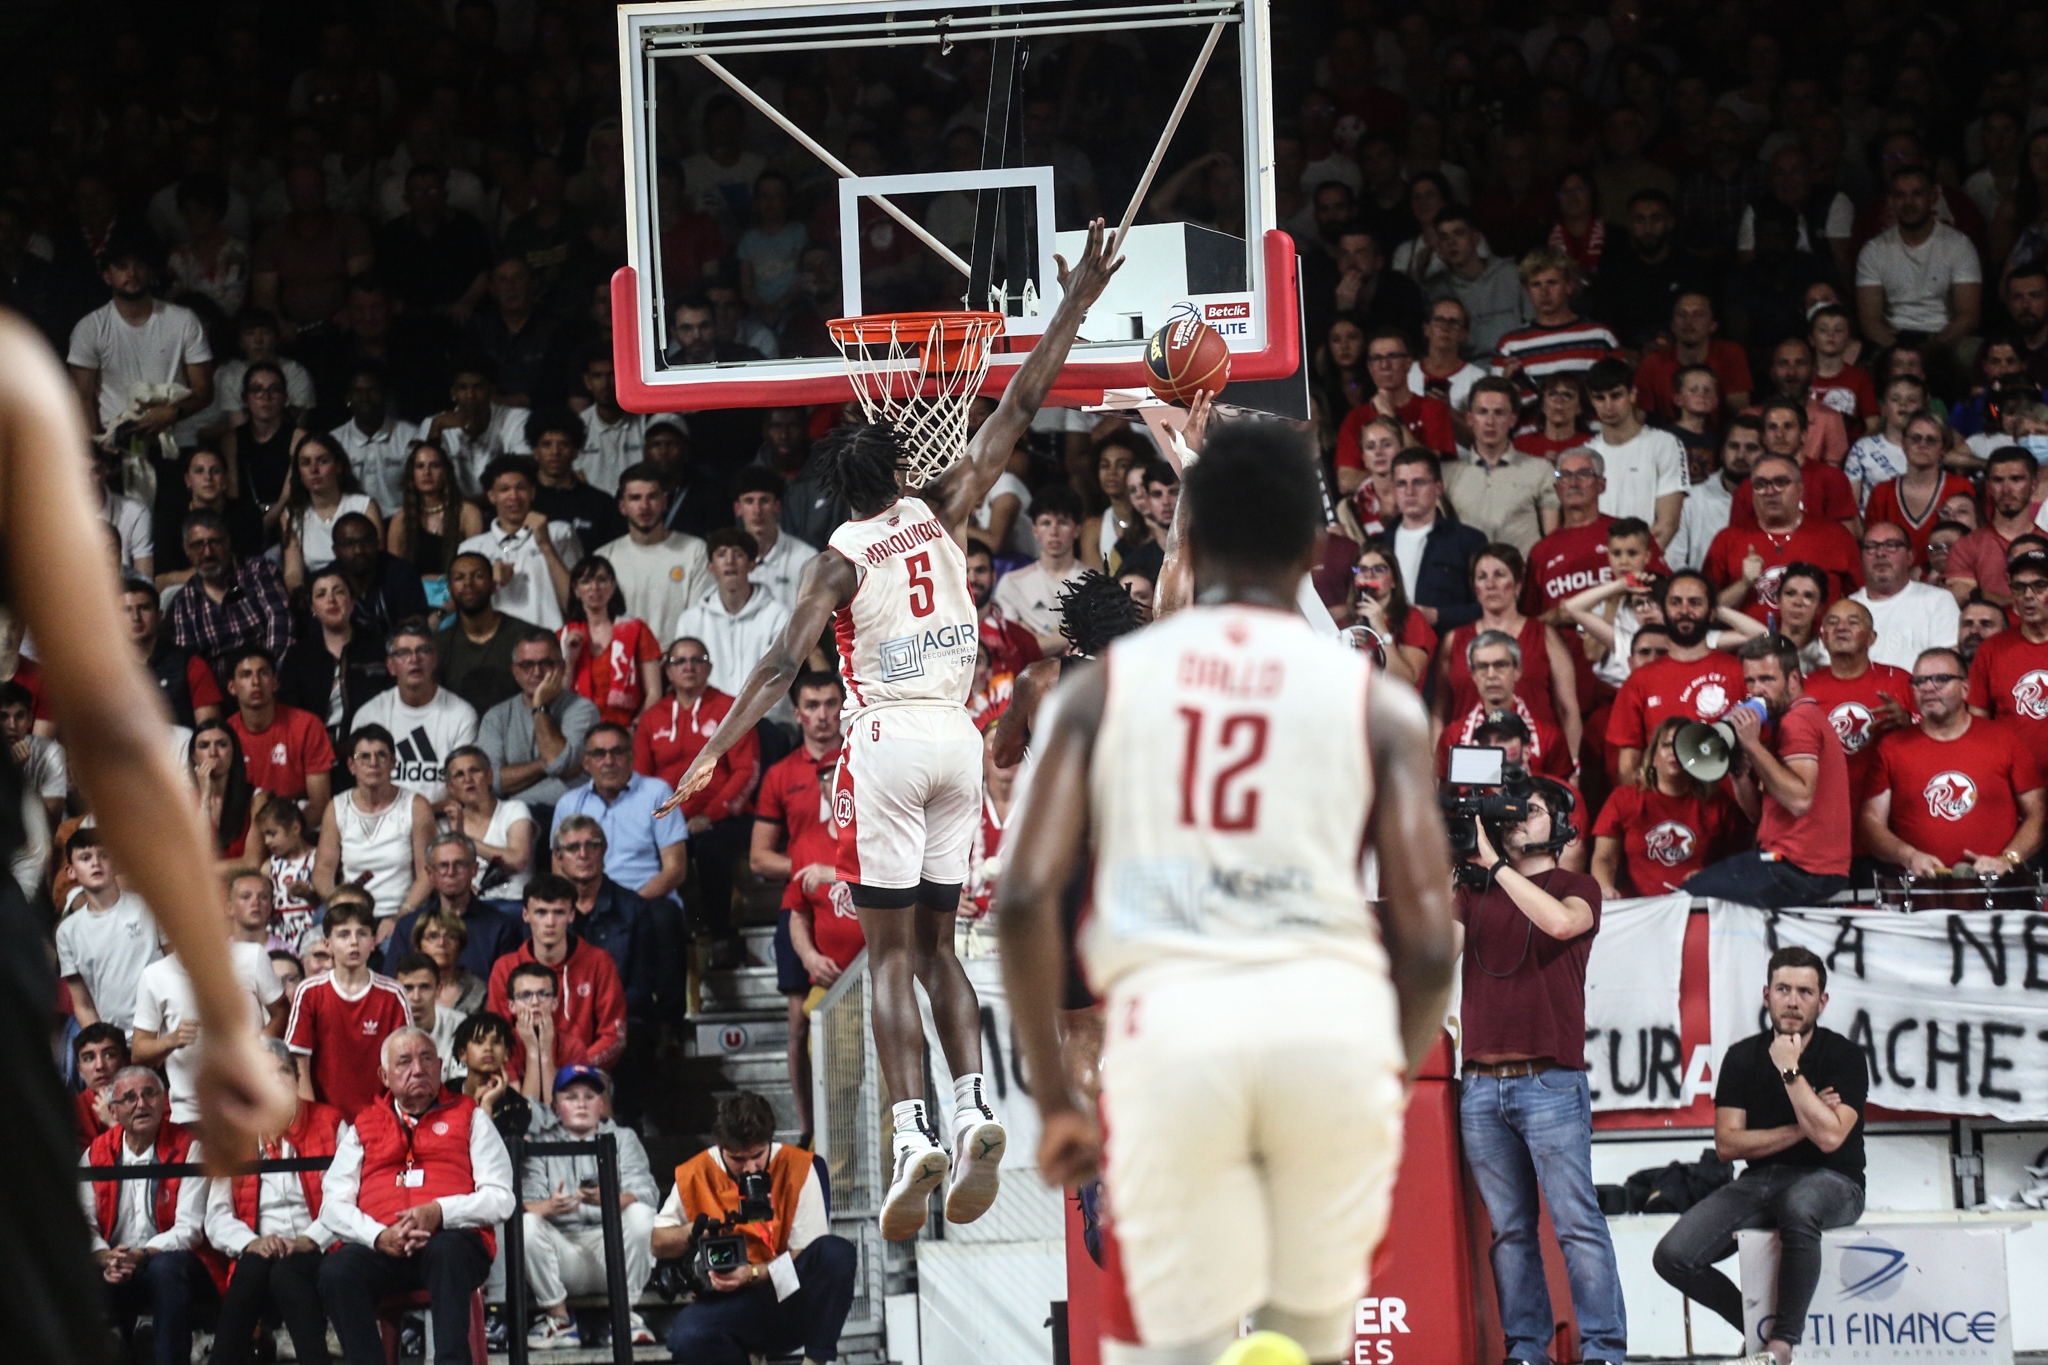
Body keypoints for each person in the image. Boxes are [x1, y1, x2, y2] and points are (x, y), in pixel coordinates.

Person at [665, 221, 1126, 1241]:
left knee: (887, 957)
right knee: (942, 947)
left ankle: (914, 1128)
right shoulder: (950, 507)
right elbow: (1015, 403)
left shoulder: (837, 557)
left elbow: (782, 667)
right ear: (901, 470)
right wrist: (1074, 302)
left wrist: (712, 750)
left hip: (884, 747)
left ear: (839, 492)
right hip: (960, 737)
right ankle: (970, 1109)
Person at [997, 419, 1459, 1365]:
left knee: (1180, 1345)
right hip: (1320, 1035)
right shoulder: (1375, 703)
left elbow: (1023, 899)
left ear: (1194, 544)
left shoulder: (1096, 691)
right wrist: (1389, 1074)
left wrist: (1055, 1103)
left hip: (1177, 1038)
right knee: (1306, 1340)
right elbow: (1427, 937)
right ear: (1308, 550)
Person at [1449, 770, 1627, 1365]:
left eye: (1534, 809)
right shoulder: (1473, 891)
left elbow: (1560, 923)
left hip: (1551, 1080)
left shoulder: (1576, 885)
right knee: (1510, 1232)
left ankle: (1603, 1349)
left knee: (1576, 1224)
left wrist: (1495, 869)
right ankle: (1527, 1350)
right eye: (1513, 809)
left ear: (1562, 825)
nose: (1520, 815)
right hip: (1479, 1085)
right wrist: (1450, 874)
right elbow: (1437, 951)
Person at [1652, 947, 1867, 1365]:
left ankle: (1783, 1344)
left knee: (1799, 1203)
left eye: (1805, 992)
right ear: (1765, 995)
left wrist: (1790, 1069)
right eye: (1783, 989)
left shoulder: (1844, 1056)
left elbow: (1829, 1140)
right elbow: (1729, 1145)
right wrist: (1804, 1120)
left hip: (1835, 1181)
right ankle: (1759, 1335)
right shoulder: (1742, 1056)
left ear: (1822, 1002)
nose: (1792, 1001)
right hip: (1760, 1182)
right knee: (1673, 1256)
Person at [316, 1027, 516, 1365]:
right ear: (384, 1075)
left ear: (440, 1066)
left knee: (446, 1249)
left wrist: (440, 1212)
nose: (418, 1069)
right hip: (384, 1249)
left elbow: (501, 1198)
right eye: (404, 1062)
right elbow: (332, 1206)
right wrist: (379, 1236)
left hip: (453, 1246)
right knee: (336, 1270)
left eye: (426, 1060)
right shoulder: (363, 1125)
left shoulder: (471, 1116)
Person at [651, 1091, 856, 1365]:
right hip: (727, 1300)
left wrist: (752, 1273)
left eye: (758, 1156)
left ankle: (816, 1360)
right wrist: (695, 1233)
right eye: (737, 1159)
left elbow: (807, 1255)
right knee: (688, 1338)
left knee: (836, 1252)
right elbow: (658, 1242)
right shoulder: (695, 1172)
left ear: (769, 1141)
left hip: (784, 1290)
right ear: (719, 1146)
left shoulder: (797, 1167)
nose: (749, 1168)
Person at [201, 1037, 346, 1365]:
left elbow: (346, 1200)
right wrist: (254, 1242)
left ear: (297, 1080)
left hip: (320, 1243)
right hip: (260, 1247)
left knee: (285, 1273)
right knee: (256, 1266)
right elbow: (217, 1215)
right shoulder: (234, 1133)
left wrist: (310, 1240)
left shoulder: (331, 1123)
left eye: (284, 1072)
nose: (276, 1081)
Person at [1685, 635, 1853, 907]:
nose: (1757, 690)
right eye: (1751, 681)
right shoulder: (1782, 724)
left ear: (1794, 680)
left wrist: (1752, 744)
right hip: (1796, 865)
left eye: (1767, 679)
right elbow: (1759, 815)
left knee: (1692, 895)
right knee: (1700, 885)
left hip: (1802, 869)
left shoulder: (1798, 720)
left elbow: (1799, 801)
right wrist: (1739, 774)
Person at [751, 671, 847, 1142]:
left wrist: (834, 870)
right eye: (813, 705)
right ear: (797, 713)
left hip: (856, 905)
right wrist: (812, 869)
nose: (823, 715)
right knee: (799, 1021)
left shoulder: (862, 765)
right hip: (806, 907)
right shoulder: (781, 774)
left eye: (832, 704)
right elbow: (759, 856)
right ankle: (811, 1128)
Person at [1863, 648, 2046, 877]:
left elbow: (2038, 813)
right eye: (1920, 681)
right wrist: (1907, 855)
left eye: (1942, 679)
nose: (1929, 688)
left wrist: (2008, 859)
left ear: (1966, 688)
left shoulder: (2004, 740)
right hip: (1921, 892)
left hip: (1997, 889)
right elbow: (1871, 822)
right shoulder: (1891, 747)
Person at [78, 1066, 217, 1365]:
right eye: (129, 1098)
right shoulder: (95, 1154)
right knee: (72, 1266)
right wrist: (106, 1257)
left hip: (173, 1263)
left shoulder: (191, 1147)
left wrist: (140, 1255)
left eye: (149, 1094)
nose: (141, 1104)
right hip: (116, 1264)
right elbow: (83, 1225)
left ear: (164, 1101)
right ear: (113, 1112)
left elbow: (189, 1229)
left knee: (165, 1270)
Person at [519, 1064, 660, 1350]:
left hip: (611, 1252)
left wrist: (609, 1199)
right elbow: (526, 1202)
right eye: (571, 1097)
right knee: (526, 1224)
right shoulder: (540, 1141)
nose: (581, 1103)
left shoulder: (623, 1138)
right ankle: (558, 1320)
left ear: (601, 1103)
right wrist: (551, 1206)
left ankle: (625, 1316)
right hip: (563, 1254)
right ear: (557, 1106)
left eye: (589, 1096)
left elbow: (647, 1192)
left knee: (643, 1215)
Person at [132, 877, 288, 1123]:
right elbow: (139, 1051)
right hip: (189, 1112)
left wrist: (260, 1043)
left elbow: (281, 1011)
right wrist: (172, 1040)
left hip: (251, 1103)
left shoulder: (251, 957)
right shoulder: (154, 976)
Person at [1431, 543, 1582, 760]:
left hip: (1533, 760)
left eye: (1499, 575)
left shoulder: (1545, 636)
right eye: (1482, 577)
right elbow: (1439, 713)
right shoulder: (1453, 640)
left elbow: (1568, 711)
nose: (1490, 584)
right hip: (1470, 761)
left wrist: (1573, 766)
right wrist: (1438, 769)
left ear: (1518, 585)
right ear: (1475, 588)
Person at [66, 236, 215, 445]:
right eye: (122, 267)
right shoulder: (90, 328)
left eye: (139, 266)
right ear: (108, 276)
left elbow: (204, 390)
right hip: (118, 444)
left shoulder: (183, 320)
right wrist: (95, 449)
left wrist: (173, 412)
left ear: (150, 272)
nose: (131, 273)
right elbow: (81, 398)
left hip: (177, 441)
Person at [1607, 572, 1746, 784]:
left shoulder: (1737, 671)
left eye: (1695, 602)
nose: (1684, 611)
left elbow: (1759, 749)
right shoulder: (1639, 681)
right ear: (1664, 610)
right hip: (1667, 810)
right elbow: (1628, 769)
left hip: (1729, 808)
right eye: (1675, 602)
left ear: (1711, 612)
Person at [285, 891, 413, 1117]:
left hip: (381, 1117)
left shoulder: (393, 994)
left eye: (362, 934)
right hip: (325, 1118)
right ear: (328, 944)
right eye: (344, 935)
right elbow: (299, 1063)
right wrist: (315, 1121)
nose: (354, 942)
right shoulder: (309, 992)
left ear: (373, 942)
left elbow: (405, 1062)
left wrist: (392, 1117)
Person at [486, 877, 629, 1075]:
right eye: (541, 912)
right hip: (523, 1073)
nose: (550, 922)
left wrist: (573, 1070)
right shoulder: (505, 967)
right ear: (526, 915)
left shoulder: (599, 962)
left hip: (583, 1073)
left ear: (572, 915)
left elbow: (614, 1036)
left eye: (559, 912)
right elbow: (496, 1035)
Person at [1801, 600, 1915, 837]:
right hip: (1824, 822)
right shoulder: (1803, 688)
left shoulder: (1900, 681)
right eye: (1832, 622)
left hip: (1889, 824)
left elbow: (1936, 743)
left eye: (1853, 622)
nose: (1842, 628)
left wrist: (1908, 725)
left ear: (1872, 638)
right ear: (1823, 638)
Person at [1703, 453, 1863, 622]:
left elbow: (1861, 603)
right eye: (1760, 484)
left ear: (1800, 489)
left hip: (1817, 645)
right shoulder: (1727, 539)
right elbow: (1704, 613)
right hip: (1746, 646)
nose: (1770, 491)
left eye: (1780, 482)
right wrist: (1743, 584)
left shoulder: (1836, 536)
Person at [1591, 716, 1737, 896]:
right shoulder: (1623, 799)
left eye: (1682, 746)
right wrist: (1605, 888)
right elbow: (1604, 858)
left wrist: (1714, 877)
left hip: (1697, 904)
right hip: (1638, 907)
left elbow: (1737, 862)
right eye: (1667, 745)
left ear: (1697, 757)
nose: (1674, 752)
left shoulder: (1718, 804)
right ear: (1652, 756)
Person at [553, 722, 691, 908]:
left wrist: (629, 906)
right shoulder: (568, 804)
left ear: (631, 757)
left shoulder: (658, 793)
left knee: (663, 916)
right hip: (589, 906)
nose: (609, 762)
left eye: (617, 752)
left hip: (647, 901)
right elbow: (560, 872)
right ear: (586, 763)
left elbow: (675, 870)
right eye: (599, 754)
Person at [1855, 166, 1983, 361]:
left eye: (1917, 194)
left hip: (1944, 338)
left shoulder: (1959, 245)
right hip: (1893, 339)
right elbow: (1869, 320)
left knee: (1974, 350)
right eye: (1900, 195)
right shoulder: (1874, 250)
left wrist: (1933, 348)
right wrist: (1900, 352)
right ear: (1890, 200)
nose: (1908, 202)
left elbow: (1968, 315)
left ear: (1932, 197)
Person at [675, 529, 798, 723]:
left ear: (752, 565)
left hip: (766, 722)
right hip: (707, 722)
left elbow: (778, 678)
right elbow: (684, 680)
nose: (730, 561)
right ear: (710, 567)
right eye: (721, 554)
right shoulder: (691, 620)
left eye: (738, 554)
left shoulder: (778, 615)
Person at [314, 726, 434, 922]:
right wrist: (339, 902)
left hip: (401, 912)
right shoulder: (336, 807)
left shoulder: (416, 806)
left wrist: (399, 916)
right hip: (352, 911)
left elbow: (427, 872)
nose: (373, 763)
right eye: (364, 757)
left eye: (381, 755)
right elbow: (324, 869)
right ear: (351, 765)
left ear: (393, 762)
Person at [352, 621, 481, 803]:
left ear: (434, 660)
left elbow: (464, 789)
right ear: (391, 666)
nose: (414, 659)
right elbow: (363, 787)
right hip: (382, 819)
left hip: (441, 821)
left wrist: (419, 814)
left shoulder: (461, 714)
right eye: (404, 653)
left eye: (423, 651)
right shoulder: (369, 715)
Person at [478, 630, 600, 811]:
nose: (537, 672)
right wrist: (544, 766)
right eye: (527, 665)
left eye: (546, 663)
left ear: (562, 667)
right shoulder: (496, 716)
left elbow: (557, 760)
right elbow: (489, 781)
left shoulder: (583, 710)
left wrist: (540, 708)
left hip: (570, 815)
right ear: (515, 672)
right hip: (512, 819)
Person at [56, 828, 164, 1031]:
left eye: (103, 855)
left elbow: (175, 965)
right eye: (85, 858)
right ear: (70, 871)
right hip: (115, 1042)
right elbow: (83, 1004)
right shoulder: (67, 932)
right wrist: (107, 1045)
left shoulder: (149, 908)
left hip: (163, 1032)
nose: (96, 863)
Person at [168, 511, 295, 680]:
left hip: (270, 679)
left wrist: (263, 675)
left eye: (215, 542)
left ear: (227, 542)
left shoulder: (259, 571)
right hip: (221, 693)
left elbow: (280, 621)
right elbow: (190, 663)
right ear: (186, 549)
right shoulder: (183, 602)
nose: (208, 552)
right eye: (198, 545)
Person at [278, 568, 389, 758]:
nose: (331, 599)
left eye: (338, 591)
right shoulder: (299, 656)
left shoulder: (378, 648)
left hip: (372, 750)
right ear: (313, 608)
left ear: (352, 601)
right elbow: (290, 715)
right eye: (321, 594)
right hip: (314, 754)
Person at [384, 832, 523, 981]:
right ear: (430, 873)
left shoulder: (501, 927)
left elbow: (506, 990)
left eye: (459, 864)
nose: (451, 872)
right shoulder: (408, 926)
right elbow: (392, 986)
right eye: (443, 866)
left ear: (474, 870)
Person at [458, 455, 576, 631]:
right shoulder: (471, 548)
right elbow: (460, 606)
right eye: (504, 489)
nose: (513, 496)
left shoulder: (559, 532)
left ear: (532, 492)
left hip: (550, 643)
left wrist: (546, 546)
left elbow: (575, 604)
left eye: (521, 488)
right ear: (491, 496)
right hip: (495, 647)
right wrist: (487, 582)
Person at [1442, 376, 1558, 553]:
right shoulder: (1447, 474)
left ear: (1513, 420)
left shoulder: (1541, 469)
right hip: (1469, 577)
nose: (1490, 422)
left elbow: (1552, 541)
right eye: (1482, 412)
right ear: (1470, 418)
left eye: (1499, 413)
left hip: (1524, 575)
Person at [596, 462, 711, 636]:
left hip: (677, 660)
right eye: (635, 498)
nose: (644, 505)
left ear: (665, 502)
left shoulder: (695, 551)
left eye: (652, 497)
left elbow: (700, 618)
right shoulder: (604, 558)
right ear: (622, 507)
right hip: (622, 658)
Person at [1379, 448, 1489, 628]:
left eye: (1419, 482)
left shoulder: (1468, 541)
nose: (1409, 491)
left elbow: (1487, 607)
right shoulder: (1378, 544)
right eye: (1401, 484)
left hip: (1449, 647)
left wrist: (1438, 615)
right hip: (1390, 647)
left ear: (1438, 487)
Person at [1438, 633, 1574, 779]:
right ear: (1473, 675)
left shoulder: (1550, 737)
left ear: (1517, 671)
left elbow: (1561, 795)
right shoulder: (1452, 737)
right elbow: (1443, 796)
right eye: (1482, 667)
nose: (1491, 675)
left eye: (1500, 665)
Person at [1492, 246, 1620, 398]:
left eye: (1552, 283)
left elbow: (1622, 395)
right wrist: (1504, 384)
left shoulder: (1601, 337)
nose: (1544, 292)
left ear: (1569, 286)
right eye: (1536, 284)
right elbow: (1496, 404)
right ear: (1527, 290)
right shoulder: (1509, 345)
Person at [225, 645, 334, 823]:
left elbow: (320, 804)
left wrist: (285, 834)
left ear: (276, 682)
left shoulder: (307, 725)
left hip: (295, 830)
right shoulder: (224, 736)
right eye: (246, 675)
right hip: (243, 833)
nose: (255, 682)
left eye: (263, 673)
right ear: (232, 687)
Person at [1585, 358, 1687, 547]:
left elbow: (1668, 524)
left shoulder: (1664, 444)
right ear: (1592, 400)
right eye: (1600, 398)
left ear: (1633, 394)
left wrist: (1636, 568)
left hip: (1649, 563)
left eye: (1616, 396)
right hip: (1600, 565)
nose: (1608, 406)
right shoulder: (1586, 454)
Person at [560, 556, 661, 727]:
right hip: (578, 729)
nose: (594, 587)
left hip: (627, 731)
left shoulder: (638, 630)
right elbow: (556, 697)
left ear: (613, 586)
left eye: (602, 579)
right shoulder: (562, 637)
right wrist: (569, 663)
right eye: (585, 581)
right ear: (576, 590)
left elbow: (654, 693)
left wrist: (635, 728)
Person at [1849, 522, 1962, 671]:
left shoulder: (1938, 600)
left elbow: (1949, 667)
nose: (1880, 553)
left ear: (1910, 557)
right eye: (1871, 547)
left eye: (1891, 545)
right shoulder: (1846, 608)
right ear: (1861, 558)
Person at [993, 486, 1092, 650]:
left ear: (1077, 530)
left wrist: (1038, 640)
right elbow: (1013, 648)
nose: (1054, 531)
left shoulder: (1096, 583)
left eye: (1063, 523)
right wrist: (1077, 635)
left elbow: (1100, 642)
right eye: (1046, 523)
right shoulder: (1012, 583)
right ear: (1035, 531)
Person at [1523, 448, 1618, 620]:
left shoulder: (1625, 533)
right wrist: (1554, 616)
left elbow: (1655, 588)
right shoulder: (1541, 552)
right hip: (1561, 643)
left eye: (1584, 474)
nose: (1573, 483)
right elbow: (1528, 621)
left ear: (1601, 485)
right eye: (1564, 476)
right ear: (1557, 489)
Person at [1632, 292, 1754, 421]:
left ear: (1713, 326)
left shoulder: (1730, 353)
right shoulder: (1652, 363)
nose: (1688, 321)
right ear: (1672, 325)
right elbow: (1638, 418)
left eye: (1698, 315)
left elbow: (1740, 413)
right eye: (1682, 314)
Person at [124, 575, 225, 729]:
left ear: (159, 616)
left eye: (144, 608)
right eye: (126, 610)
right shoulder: (104, 672)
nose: (136, 617)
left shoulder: (191, 664)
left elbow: (209, 734)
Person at [1424, 210, 1529, 358]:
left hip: (1516, 362)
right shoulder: (1435, 290)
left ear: (1475, 238)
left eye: (1459, 233)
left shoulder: (1512, 275)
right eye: (1443, 237)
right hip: (1467, 370)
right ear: (1439, 246)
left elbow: (1534, 324)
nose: (1451, 242)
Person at [1947, 447, 2040, 607]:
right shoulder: (1966, 546)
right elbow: (1961, 595)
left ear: (2033, 485)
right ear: (1988, 487)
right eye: (1998, 480)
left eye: (2016, 479)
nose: (2006, 489)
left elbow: (1973, 595)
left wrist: (1982, 594)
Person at [384, 438, 482, 589]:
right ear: (412, 474)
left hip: (459, 593)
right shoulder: (400, 519)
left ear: (445, 471)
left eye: (434, 466)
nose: (426, 472)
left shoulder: (468, 513)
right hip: (415, 596)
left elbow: (476, 566)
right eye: (420, 466)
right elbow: (396, 574)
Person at [440, 747, 536, 900]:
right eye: (459, 775)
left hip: (514, 905)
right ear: (451, 788)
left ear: (489, 777)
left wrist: (464, 840)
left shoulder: (514, 809)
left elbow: (518, 860)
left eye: (474, 771)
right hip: (470, 907)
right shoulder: (446, 823)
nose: (467, 779)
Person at [72, 1021, 129, 1148]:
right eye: (89, 1058)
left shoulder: (150, 1101)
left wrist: (113, 1123)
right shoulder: (72, 1111)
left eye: (109, 1055)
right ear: (80, 1070)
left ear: (125, 1062)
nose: (100, 1066)